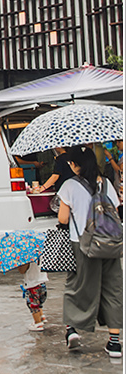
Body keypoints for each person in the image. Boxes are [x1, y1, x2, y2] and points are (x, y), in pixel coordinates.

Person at [56, 146, 122, 357]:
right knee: (112, 288)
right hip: (110, 243)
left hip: (83, 244)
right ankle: (114, 343)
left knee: (77, 286)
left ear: (75, 165)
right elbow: (116, 209)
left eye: (71, 163)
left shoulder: (69, 185)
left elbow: (63, 219)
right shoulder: (107, 183)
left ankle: (72, 331)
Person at [18, 259, 48, 332]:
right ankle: (41, 317)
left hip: (32, 284)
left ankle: (38, 323)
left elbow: (22, 270)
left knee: (33, 305)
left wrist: (19, 264)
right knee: (39, 302)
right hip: (42, 281)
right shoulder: (39, 251)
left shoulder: (26, 256)